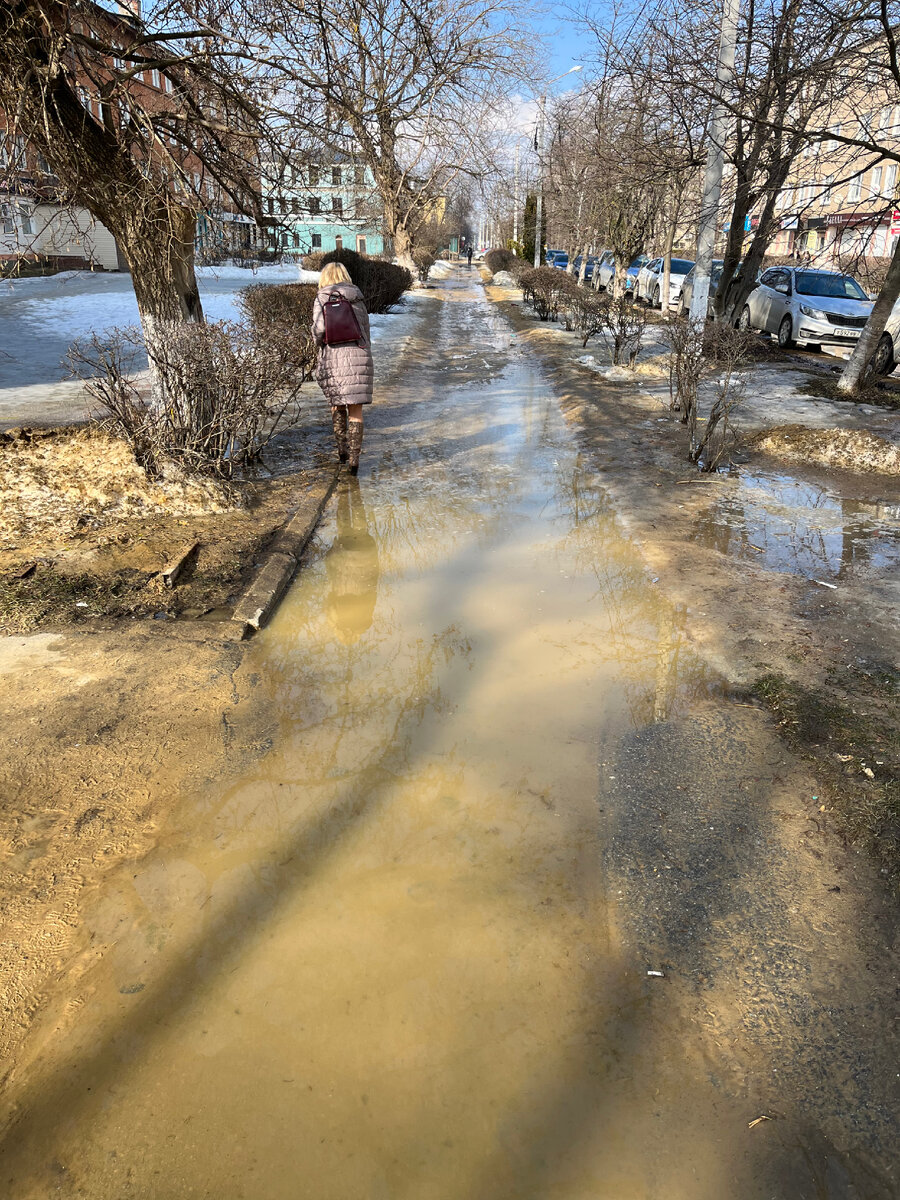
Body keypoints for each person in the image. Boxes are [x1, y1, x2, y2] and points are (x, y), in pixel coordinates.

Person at [312, 261, 373, 475]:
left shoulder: (322, 297)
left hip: (333, 357)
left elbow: (319, 330)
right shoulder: (357, 297)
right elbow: (365, 329)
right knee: (356, 410)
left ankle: (342, 452)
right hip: (359, 354)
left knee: (337, 405)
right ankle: (354, 461)